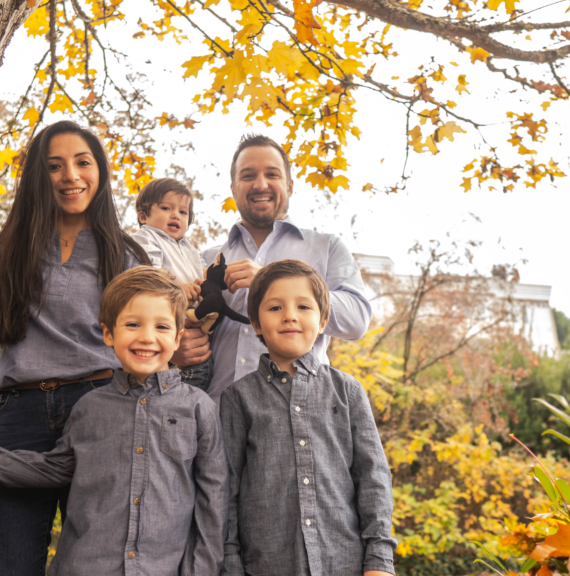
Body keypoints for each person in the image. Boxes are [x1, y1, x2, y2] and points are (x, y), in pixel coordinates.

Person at [0, 266, 228, 576]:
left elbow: (213, 500)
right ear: (108, 333)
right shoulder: (89, 407)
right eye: (133, 324)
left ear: (178, 337)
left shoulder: (199, 408)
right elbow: (54, 467)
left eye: (162, 327)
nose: (147, 337)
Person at [0, 120, 149, 575]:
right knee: (10, 563)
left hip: (102, 410)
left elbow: (153, 336)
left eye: (82, 162)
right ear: (37, 178)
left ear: (100, 172)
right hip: (18, 418)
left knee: (96, 564)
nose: (70, 175)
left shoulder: (124, 255)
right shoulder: (9, 249)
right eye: (54, 166)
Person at [220, 260, 396, 576]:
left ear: (323, 319)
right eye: (275, 308)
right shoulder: (238, 399)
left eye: (303, 306)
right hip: (267, 565)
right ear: (255, 322)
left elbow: (373, 478)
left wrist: (379, 561)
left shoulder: (348, 391)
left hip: (344, 562)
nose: (290, 315)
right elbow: (227, 490)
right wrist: (231, 566)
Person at [170, 134, 372, 403]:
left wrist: (271, 283)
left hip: (296, 423)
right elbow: (170, 324)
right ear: (233, 187)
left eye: (272, 174)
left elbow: (357, 321)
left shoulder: (327, 247)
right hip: (213, 422)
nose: (260, 184)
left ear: (289, 184)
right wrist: (173, 348)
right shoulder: (204, 259)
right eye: (248, 175)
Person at [129, 178, 213, 391]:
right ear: (143, 215)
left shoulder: (188, 248)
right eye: (166, 208)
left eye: (183, 212)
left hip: (193, 327)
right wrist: (177, 287)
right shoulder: (146, 237)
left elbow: (201, 273)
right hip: (165, 327)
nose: (176, 215)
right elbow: (148, 271)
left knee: (199, 380)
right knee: (175, 386)